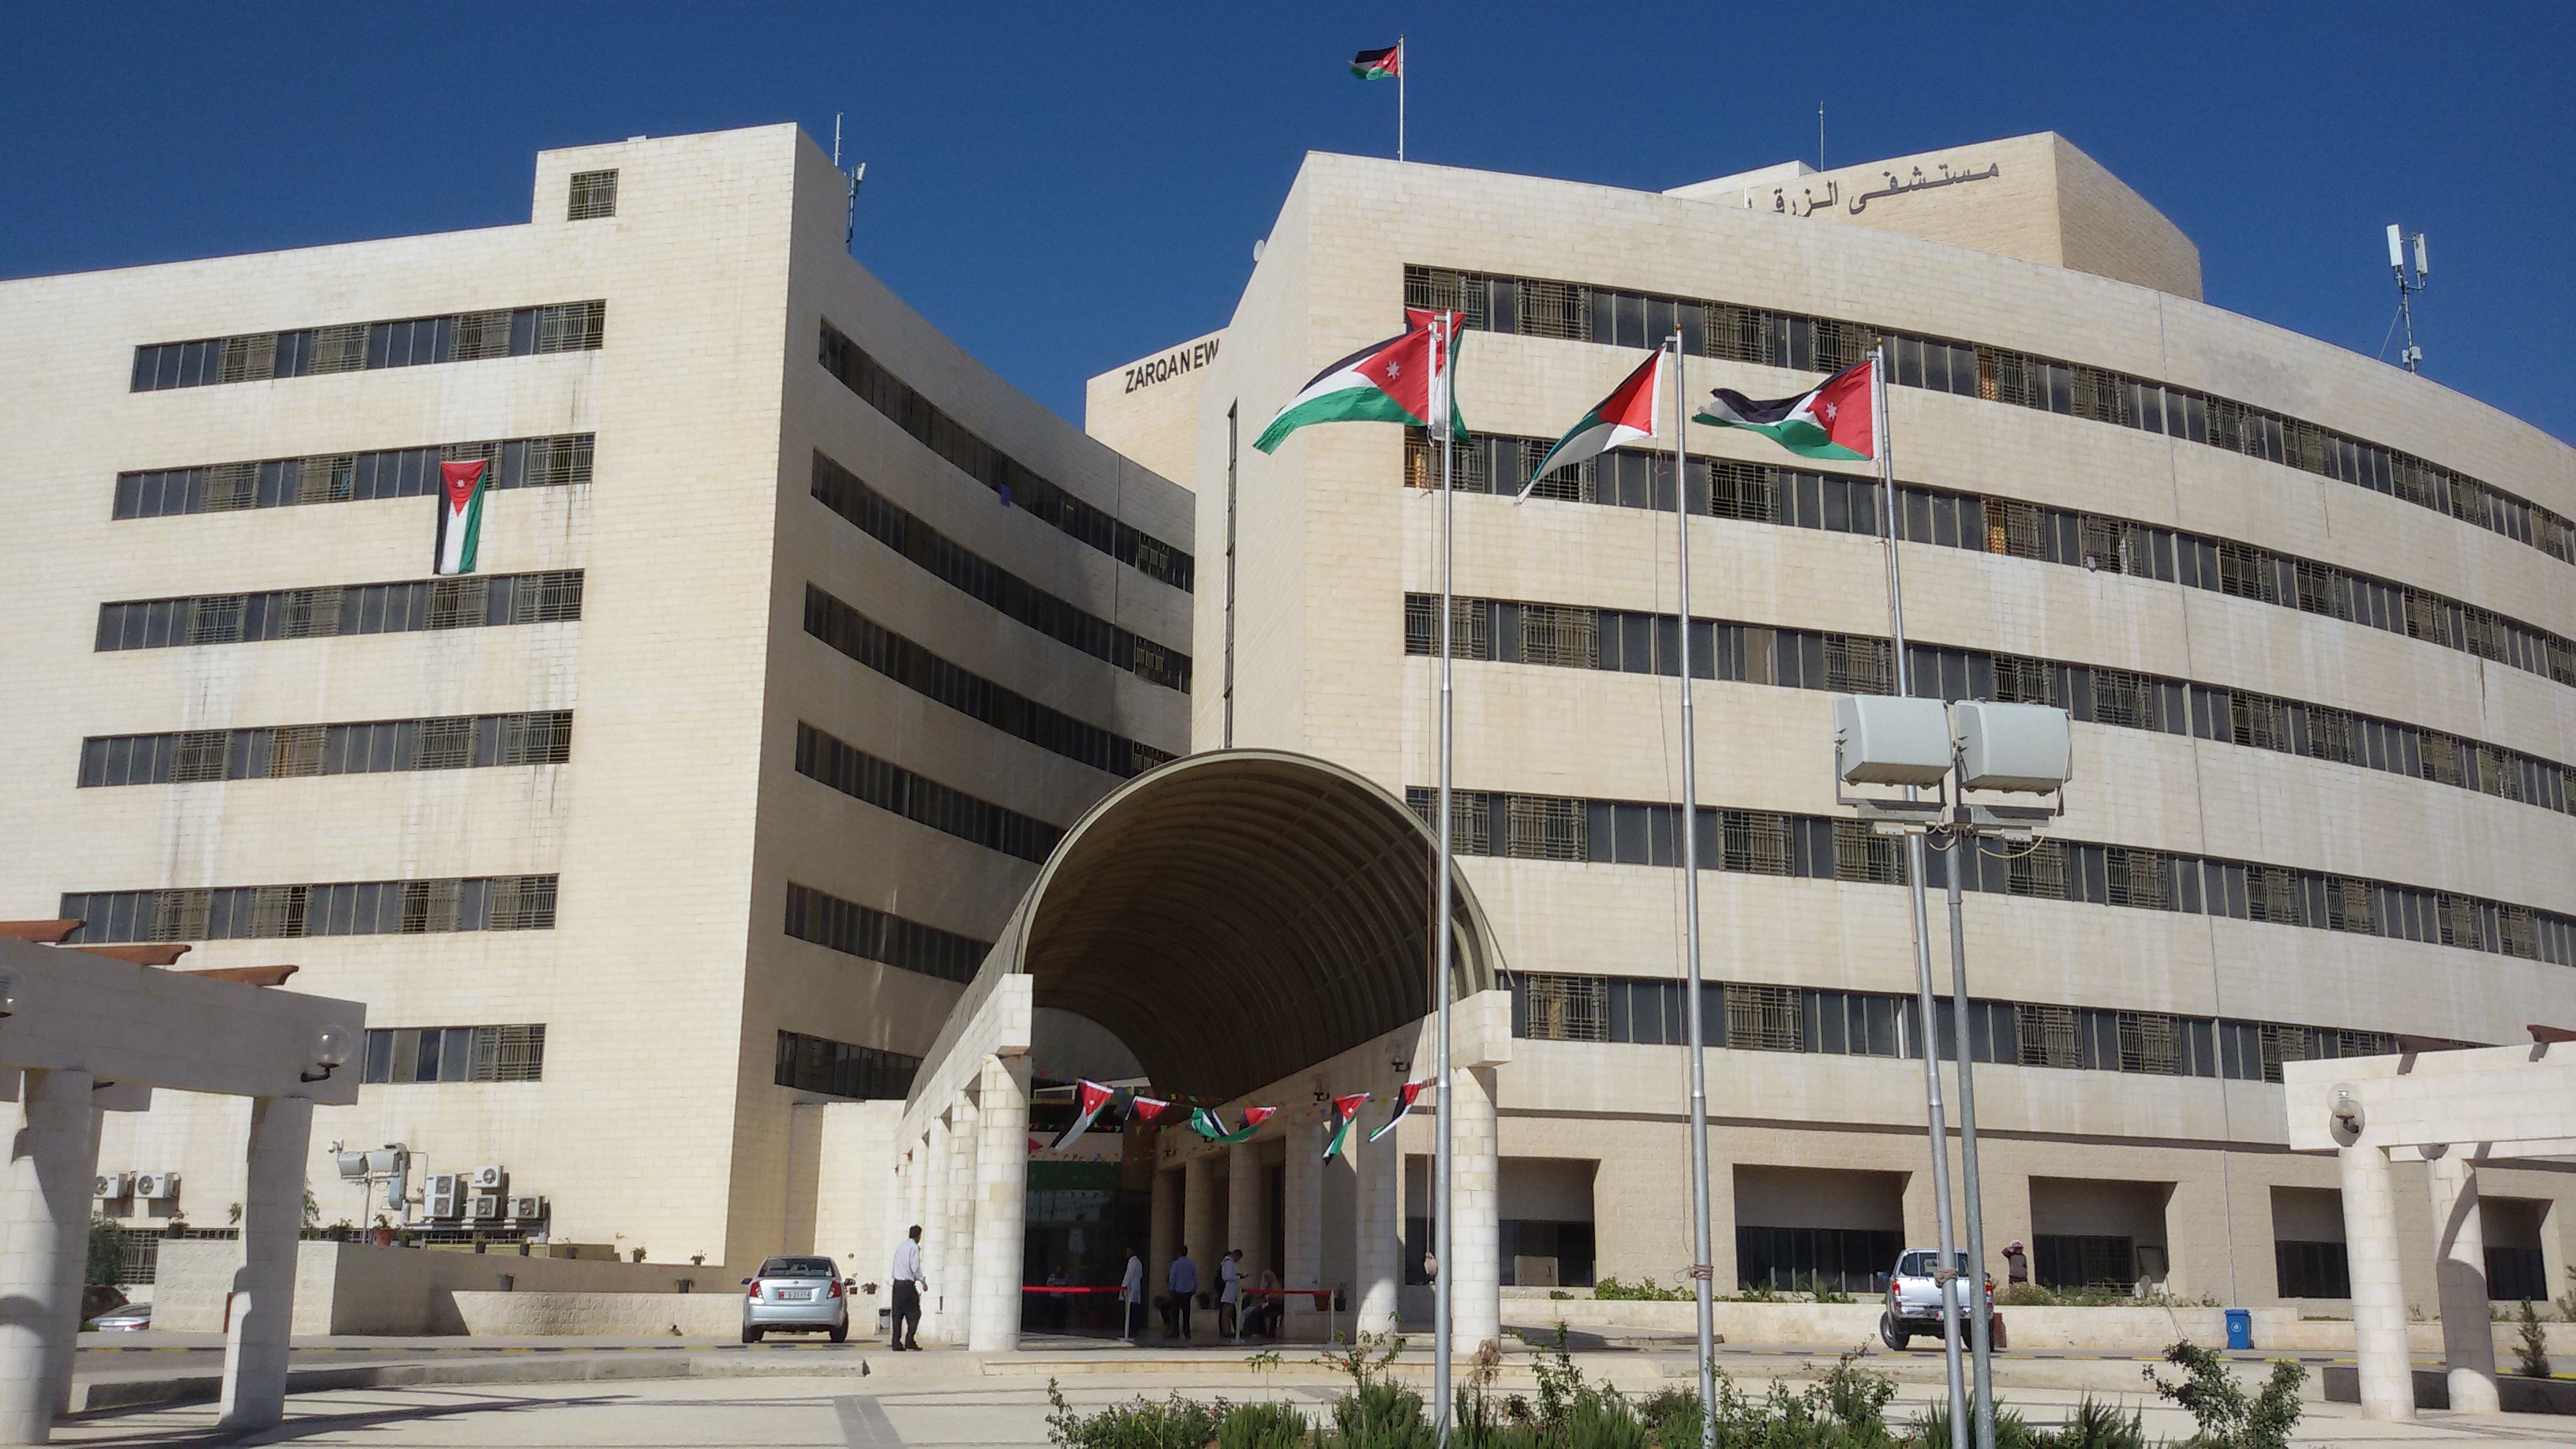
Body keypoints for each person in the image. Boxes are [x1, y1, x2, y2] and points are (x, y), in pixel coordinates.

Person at [889, 1225, 927, 1351]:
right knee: (915, 1313)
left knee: (897, 1315)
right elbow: (915, 1267)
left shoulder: (901, 1247)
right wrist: (922, 1280)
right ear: (918, 1236)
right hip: (907, 1285)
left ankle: (896, 1342)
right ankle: (910, 1339)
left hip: (897, 1285)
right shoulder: (914, 1247)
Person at [1167, 1244, 1199, 1339]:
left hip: (1177, 1291)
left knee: (1175, 1312)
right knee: (1186, 1312)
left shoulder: (1176, 1264)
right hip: (1187, 1291)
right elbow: (1195, 1277)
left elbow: (1172, 1277)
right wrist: (1194, 1288)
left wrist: (1171, 1288)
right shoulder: (1191, 1264)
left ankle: (1175, 1331)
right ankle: (1187, 1332)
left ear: (1179, 1253)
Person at [1119, 1245, 1146, 1342]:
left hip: (1131, 1289)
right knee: (1134, 1310)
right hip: (1136, 1288)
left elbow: (1129, 1275)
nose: (1127, 1253)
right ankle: (1134, 1330)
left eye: (1129, 1251)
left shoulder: (1132, 1262)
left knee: (1130, 1311)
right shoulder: (1138, 1262)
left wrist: (1124, 1288)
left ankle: (1130, 1330)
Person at [1217, 1249, 1243, 1338]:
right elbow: (1228, 1277)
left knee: (1226, 1310)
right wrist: (1239, 1277)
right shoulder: (1229, 1263)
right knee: (1227, 1311)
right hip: (1229, 1289)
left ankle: (1226, 1329)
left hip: (1228, 1289)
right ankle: (1226, 1330)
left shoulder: (1226, 1262)